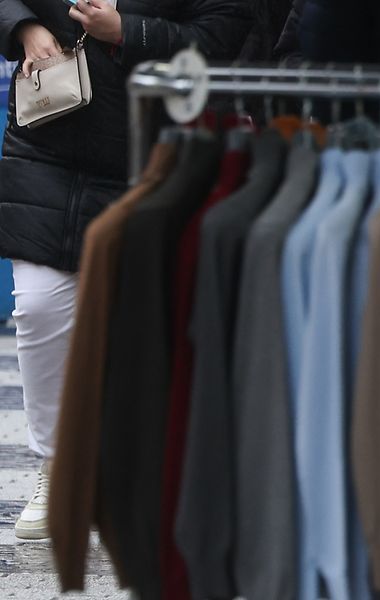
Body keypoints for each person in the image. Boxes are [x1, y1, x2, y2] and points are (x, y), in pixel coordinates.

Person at [0, 0, 252, 541]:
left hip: (156, 146)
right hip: (47, 136)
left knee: (147, 319)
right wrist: (24, 28)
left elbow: (229, 29)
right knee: (41, 308)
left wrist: (127, 31)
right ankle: (58, 471)